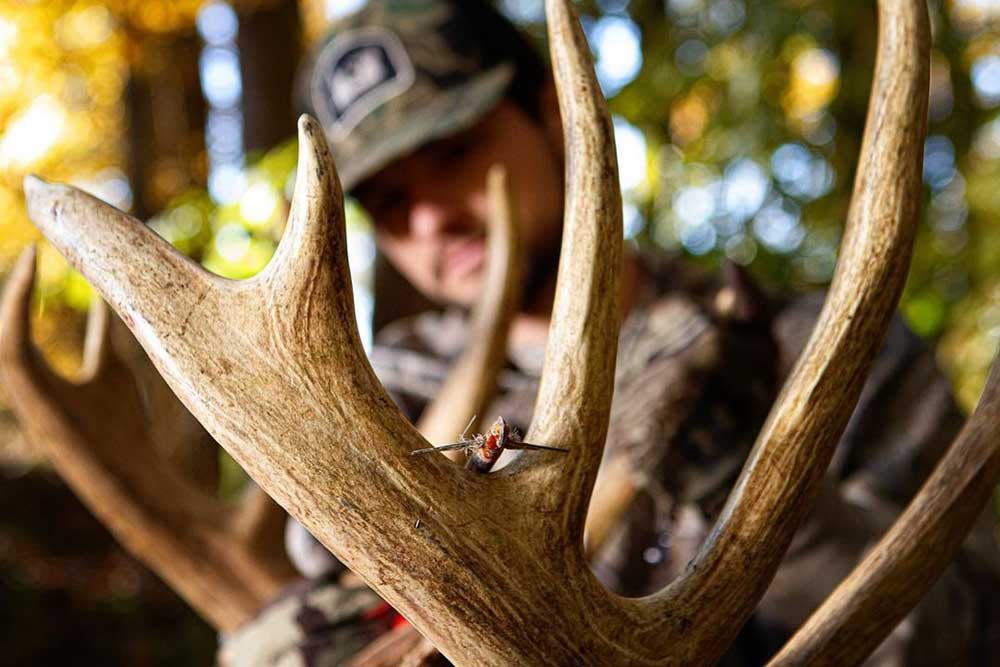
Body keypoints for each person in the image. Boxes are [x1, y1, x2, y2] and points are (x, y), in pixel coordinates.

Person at [220, 1, 1000, 665]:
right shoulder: (377, 403)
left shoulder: (820, 349)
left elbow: (958, 632)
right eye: (389, 202)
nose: (429, 217)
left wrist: (754, 485)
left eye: (455, 152)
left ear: (553, 113)